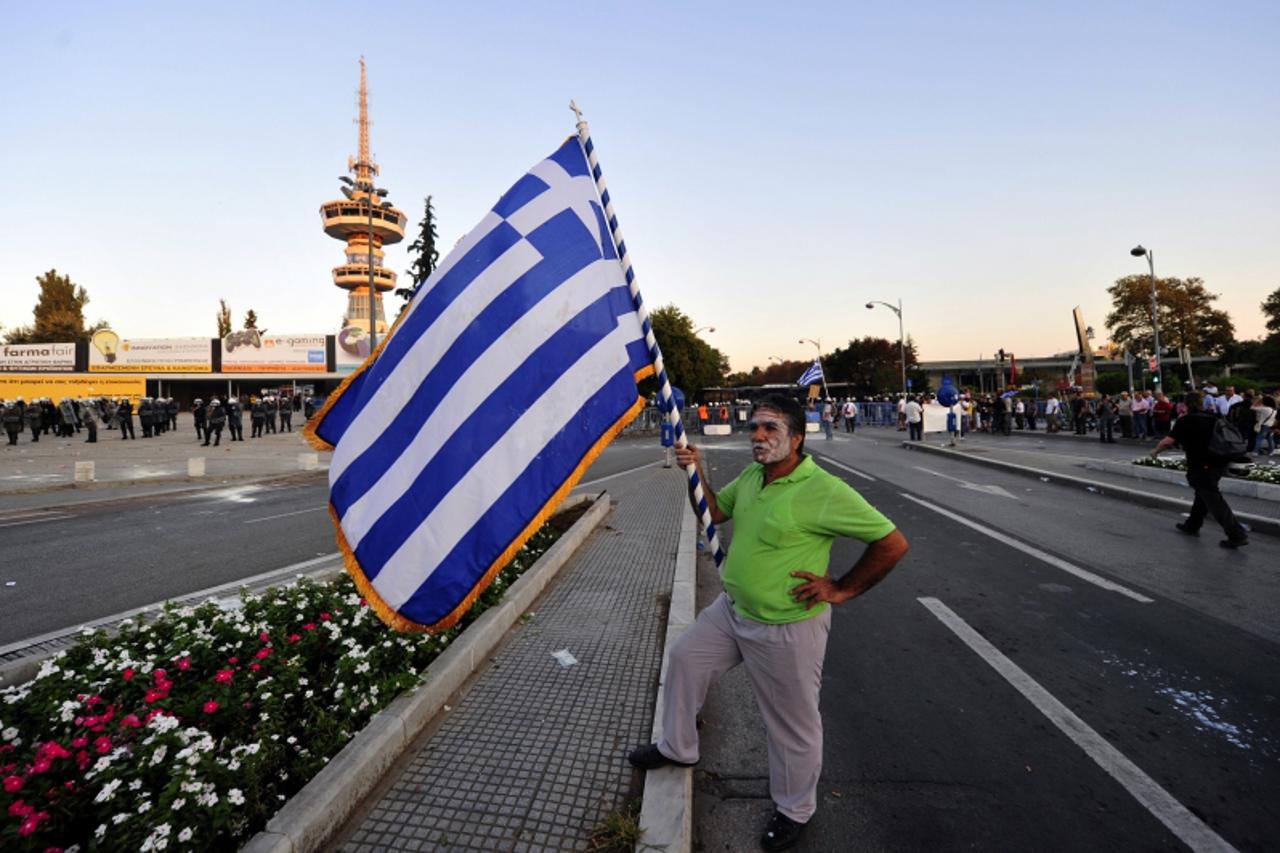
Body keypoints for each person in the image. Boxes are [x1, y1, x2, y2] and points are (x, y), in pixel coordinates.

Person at [627, 393, 908, 851]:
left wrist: (841, 588)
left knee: (791, 726)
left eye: (770, 428)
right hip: (732, 611)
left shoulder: (824, 489)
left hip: (787, 627)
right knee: (684, 660)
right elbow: (716, 513)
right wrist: (693, 472)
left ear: (796, 438)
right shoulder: (754, 476)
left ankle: (795, 809)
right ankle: (678, 748)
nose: (758, 436)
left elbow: (892, 542)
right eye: (754, 427)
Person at [1150, 390, 1248, 548]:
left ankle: (1236, 534)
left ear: (1186, 404)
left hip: (1201, 464)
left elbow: (1168, 442)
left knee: (1213, 499)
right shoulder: (1214, 418)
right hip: (1218, 462)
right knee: (1203, 493)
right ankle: (1192, 525)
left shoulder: (1186, 420)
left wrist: (1155, 452)